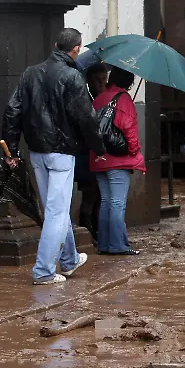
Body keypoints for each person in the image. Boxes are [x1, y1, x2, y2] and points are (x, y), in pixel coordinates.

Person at [2, 27, 106, 285]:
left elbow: (12, 111)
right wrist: (99, 148)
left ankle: (69, 260)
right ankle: (44, 270)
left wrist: (12, 150)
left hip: (36, 151)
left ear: (57, 44)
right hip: (61, 152)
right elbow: (86, 117)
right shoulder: (72, 76)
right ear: (76, 49)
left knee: (55, 209)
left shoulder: (30, 73)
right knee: (57, 212)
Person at [89, 67, 145, 256]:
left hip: (98, 158)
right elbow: (128, 128)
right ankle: (118, 245)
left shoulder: (99, 98)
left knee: (106, 201)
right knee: (117, 203)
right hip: (117, 160)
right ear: (128, 82)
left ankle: (104, 244)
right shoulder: (123, 98)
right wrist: (134, 150)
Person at [75, 62, 108, 242]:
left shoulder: (104, 99)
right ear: (89, 80)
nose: (102, 84)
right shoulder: (84, 99)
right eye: (98, 80)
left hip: (98, 155)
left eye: (104, 80)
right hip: (85, 156)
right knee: (90, 194)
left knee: (100, 195)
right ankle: (86, 231)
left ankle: (95, 230)